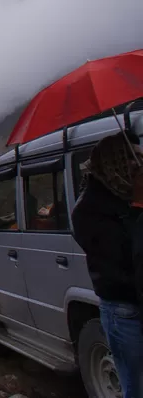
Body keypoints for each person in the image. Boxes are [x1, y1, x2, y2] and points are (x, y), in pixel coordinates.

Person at [72, 131, 143, 397]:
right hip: (125, 309)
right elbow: (124, 258)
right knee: (136, 385)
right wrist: (138, 207)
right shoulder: (89, 209)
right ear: (118, 164)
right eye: (134, 160)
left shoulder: (129, 195)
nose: (140, 166)